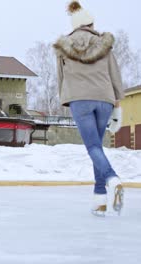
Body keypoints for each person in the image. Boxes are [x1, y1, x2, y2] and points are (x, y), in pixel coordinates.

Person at [53, 1, 125, 216]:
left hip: (80, 100)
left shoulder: (63, 47)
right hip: (104, 99)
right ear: (91, 23)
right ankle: (99, 199)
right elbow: (115, 75)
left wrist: (65, 98)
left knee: (93, 148)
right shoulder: (104, 44)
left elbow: (60, 78)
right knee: (97, 148)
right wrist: (117, 107)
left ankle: (112, 179)